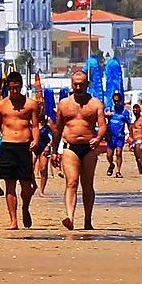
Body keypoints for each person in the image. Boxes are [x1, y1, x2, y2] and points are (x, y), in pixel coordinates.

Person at [54, 67, 108, 232]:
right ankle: (69, 217)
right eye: (75, 84)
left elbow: (103, 126)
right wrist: (54, 150)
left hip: (89, 148)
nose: (78, 87)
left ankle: (87, 219)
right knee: (71, 182)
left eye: (81, 84)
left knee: (87, 184)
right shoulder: (64, 104)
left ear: (87, 84)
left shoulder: (95, 104)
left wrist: (98, 138)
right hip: (70, 148)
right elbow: (58, 128)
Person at [0, 71, 41, 230]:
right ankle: (13, 220)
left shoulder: (31, 104)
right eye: (12, 88)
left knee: (26, 185)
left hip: (24, 146)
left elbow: (35, 125)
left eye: (17, 88)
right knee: (10, 184)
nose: (14, 91)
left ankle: (25, 207)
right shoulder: (1, 105)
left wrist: (36, 140)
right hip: (7, 145)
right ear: (8, 87)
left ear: (21, 86)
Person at [105, 92, 129, 177]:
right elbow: (101, 116)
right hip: (111, 136)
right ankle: (111, 165)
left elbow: (128, 123)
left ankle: (118, 171)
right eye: (115, 101)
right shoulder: (110, 109)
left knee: (119, 153)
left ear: (120, 101)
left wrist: (130, 135)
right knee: (109, 155)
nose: (116, 103)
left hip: (120, 136)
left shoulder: (125, 111)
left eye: (117, 101)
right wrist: (106, 115)